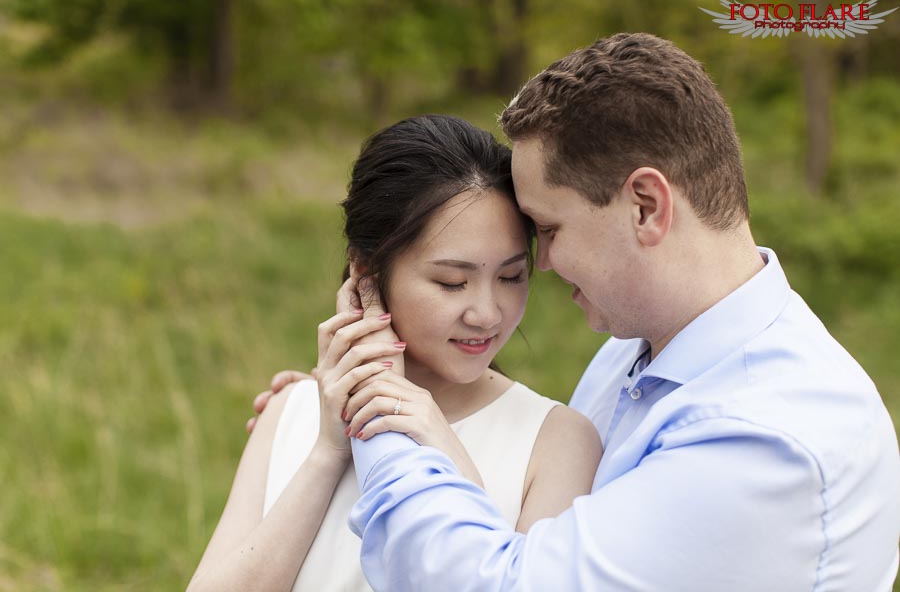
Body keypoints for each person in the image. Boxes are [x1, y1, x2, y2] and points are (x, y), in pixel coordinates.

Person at [255, 33, 900, 590]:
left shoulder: (767, 440)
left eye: (550, 229)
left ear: (645, 206)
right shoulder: (641, 349)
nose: (541, 265)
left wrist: (376, 403)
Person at [188, 115, 602, 591]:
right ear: (366, 270)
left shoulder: (557, 443)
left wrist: (441, 445)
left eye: (511, 276)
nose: (487, 314)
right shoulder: (291, 412)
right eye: (452, 282)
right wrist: (328, 451)